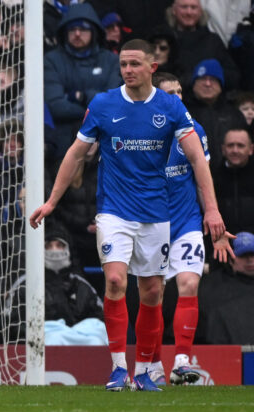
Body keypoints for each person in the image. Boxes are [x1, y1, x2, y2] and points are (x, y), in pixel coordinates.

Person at [30, 39, 226, 392]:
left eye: (135, 64)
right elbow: (76, 154)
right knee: (117, 282)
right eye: (123, 64)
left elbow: (197, 160)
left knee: (152, 292)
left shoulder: (170, 108)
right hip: (115, 211)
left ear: (152, 67)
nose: (127, 70)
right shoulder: (104, 104)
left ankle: (146, 370)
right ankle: (119, 368)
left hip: (157, 212)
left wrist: (211, 209)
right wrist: (51, 201)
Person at [151, 71, 230, 385]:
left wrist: (215, 219)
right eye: (170, 93)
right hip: (151, 224)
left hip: (186, 222)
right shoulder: (139, 133)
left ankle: (182, 361)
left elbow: (202, 179)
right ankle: (152, 364)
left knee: (188, 284)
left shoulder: (194, 130)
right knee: (153, 295)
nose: (178, 97)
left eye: (180, 92)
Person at [44, 3, 123, 158]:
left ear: (94, 31)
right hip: (62, 143)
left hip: (104, 138)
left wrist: (82, 96)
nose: (78, 34)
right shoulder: (51, 60)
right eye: (72, 29)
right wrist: (93, 108)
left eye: (83, 29)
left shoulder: (111, 60)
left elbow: (113, 103)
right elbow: (55, 106)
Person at [196, 231, 254, 344]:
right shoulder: (211, 288)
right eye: (243, 256)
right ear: (231, 260)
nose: (250, 260)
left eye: (253, 255)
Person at [212, 127, 254, 236]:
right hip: (222, 246)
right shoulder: (212, 179)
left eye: (240, 145)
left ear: (251, 149)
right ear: (223, 149)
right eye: (230, 145)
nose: (235, 150)